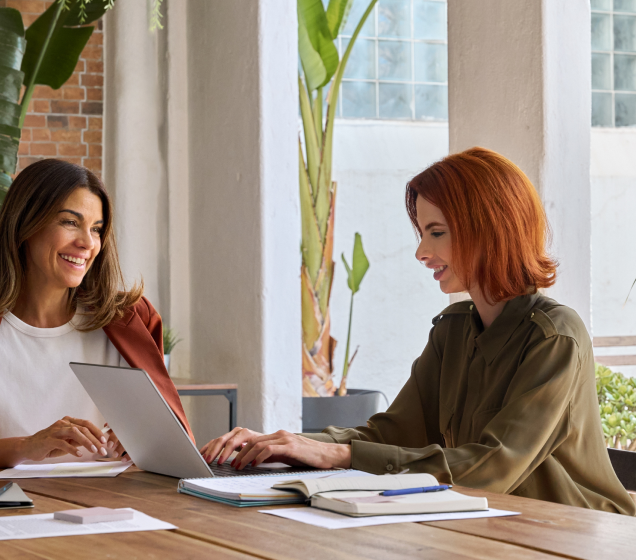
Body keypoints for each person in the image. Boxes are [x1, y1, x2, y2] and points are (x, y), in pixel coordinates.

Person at [200, 147, 636, 515]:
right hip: (488, 528)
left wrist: (339, 454)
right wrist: (287, 443)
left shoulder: (554, 337)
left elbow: (492, 468)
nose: (421, 252)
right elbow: (388, 434)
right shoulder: (453, 331)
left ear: (490, 229)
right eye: (423, 233)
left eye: (437, 232)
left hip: (580, 536)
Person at [0, 159, 192, 468]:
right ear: (25, 225)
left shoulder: (129, 320)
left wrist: (143, 439)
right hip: (10, 497)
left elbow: (170, 446)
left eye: (96, 229)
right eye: (70, 222)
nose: (87, 243)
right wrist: (30, 446)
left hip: (112, 497)